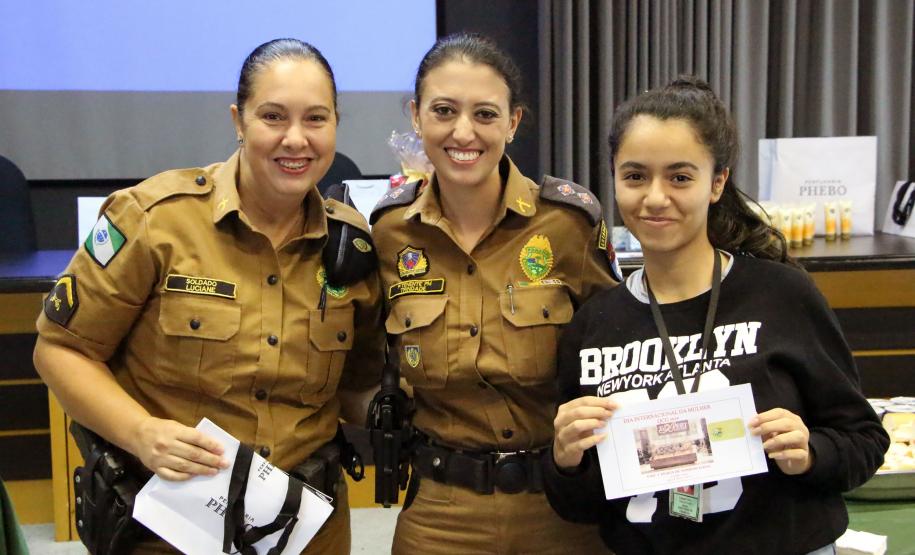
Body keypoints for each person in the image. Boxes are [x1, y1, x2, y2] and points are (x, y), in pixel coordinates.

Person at [32, 38, 383, 554]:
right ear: (238, 121)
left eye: (316, 119)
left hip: (306, 526)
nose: (295, 139)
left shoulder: (352, 246)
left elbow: (357, 391)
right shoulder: (155, 220)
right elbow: (60, 349)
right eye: (272, 117)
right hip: (171, 524)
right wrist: (141, 433)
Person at [543, 76, 889, 554]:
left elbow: (864, 440)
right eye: (635, 176)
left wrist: (810, 452)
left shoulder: (781, 294)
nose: (656, 197)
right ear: (614, 178)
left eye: (680, 177)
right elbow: (579, 505)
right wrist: (565, 460)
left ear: (717, 182)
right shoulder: (594, 324)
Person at [370, 33, 619, 554]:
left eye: (485, 114)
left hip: (557, 503)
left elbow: (620, 354)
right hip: (441, 510)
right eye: (443, 110)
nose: (464, 131)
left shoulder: (568, 223)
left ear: (513, 122)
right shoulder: (390, 232)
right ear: (416, 116)